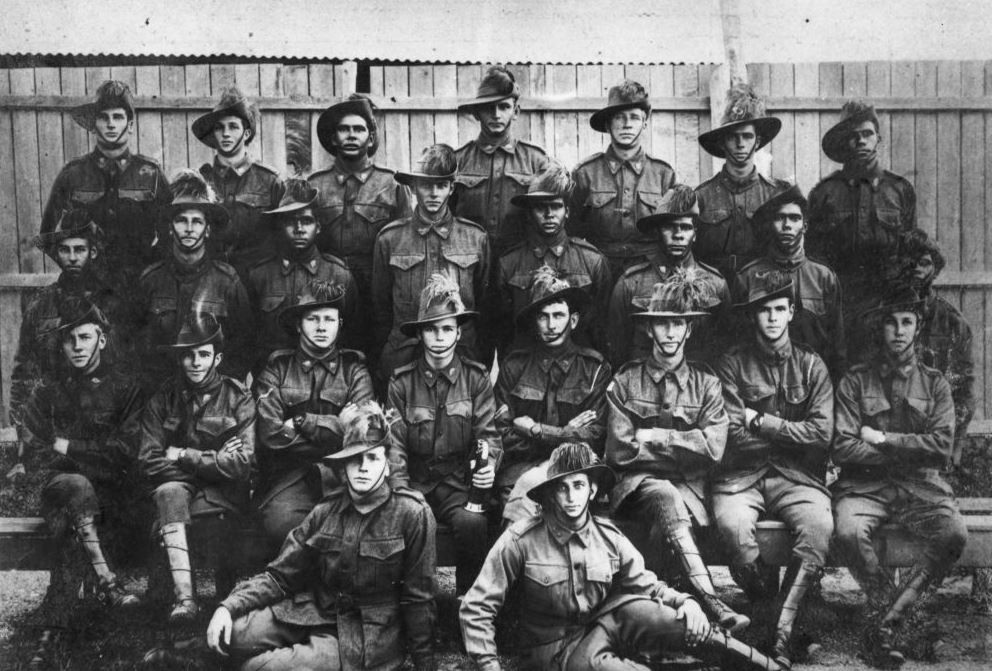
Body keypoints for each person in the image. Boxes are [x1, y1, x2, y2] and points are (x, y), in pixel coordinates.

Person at [460, 442, 785, 671]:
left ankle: (767, 667)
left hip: (606, 624)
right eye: (562, 488)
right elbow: (476, 608)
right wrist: (489, 666)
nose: (571, 496)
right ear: (550, 492)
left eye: (578, 486)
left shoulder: (607, 536)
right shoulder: (521, 540)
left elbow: (647, 585)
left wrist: (685, 601)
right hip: (557, 651)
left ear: (592, 490)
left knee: (684, 623)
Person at [205, 401, 437, 671]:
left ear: (387, 465)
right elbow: (280, 575)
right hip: (314, 612)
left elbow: (419, 598)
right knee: (230, 635)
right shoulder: (326, 511)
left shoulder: (411, 514)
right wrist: (228, 607)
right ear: (343, 465)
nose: (363, 467)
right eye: (354, 458)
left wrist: (425, 665)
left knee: (262, 668)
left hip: (364, 635)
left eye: (373, 458)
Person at [832, 286, 968, 668]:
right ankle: (892, 618)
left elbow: (941, 447)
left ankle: (889, 622)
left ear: (918, 328)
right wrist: (908, 450)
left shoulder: (935, 384)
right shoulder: (854, 382)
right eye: (890, 323)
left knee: (953, 533)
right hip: (864, 487)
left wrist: (884, 439)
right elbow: (842, 446)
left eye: (906, 322)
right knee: (847, 532)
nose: (898, 330)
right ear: (880, 329)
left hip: (921, 487)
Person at [605, 273, 749, 633]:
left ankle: (668, 624)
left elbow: (713, 447)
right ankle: (713, 604)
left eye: (678, 324)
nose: (670, 333)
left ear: (689, 331)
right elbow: (621, 452)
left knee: (663, 523)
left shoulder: (707, 384)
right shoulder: (626, 380)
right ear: (649, 331)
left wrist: (655, 437)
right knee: (664, 494)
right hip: (635, 489)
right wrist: (686, 447)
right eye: (662, 325)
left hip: (691, 495)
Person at [713, 272, 835, 668]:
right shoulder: (732, 364)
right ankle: (770, 613)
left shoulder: (811, 366)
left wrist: (761, 423)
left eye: (779, 309)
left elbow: (822, 435)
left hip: (795, 476)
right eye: (763, 311)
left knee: (819, 526)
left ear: (791, 313)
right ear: (752, 317)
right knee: (732, 526)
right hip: (741, 476)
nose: (771, 318)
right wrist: (789, 435)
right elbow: (731, 434)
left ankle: (778, 630)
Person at [20, 298, 144, 616]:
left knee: (76, 517)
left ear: (101, 339)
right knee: (75, 488)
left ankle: (55, 622)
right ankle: (108, 584)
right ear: (61, 344)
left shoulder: (124, 389)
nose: (76, 346)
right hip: (59, 491)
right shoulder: (46, 392)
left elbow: (127, 451)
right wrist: (90, 460)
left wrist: (68, 447)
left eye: (85, 337)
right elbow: (36, 456)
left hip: (111, 494)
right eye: (69, 339)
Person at [386, 273, 502, 595]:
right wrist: (399, 491)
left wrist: (488, 465)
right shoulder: (401, 383)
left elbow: (488, 435)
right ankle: (415, 609)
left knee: (473, 523)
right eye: (431, 329)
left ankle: (468, 608)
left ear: (458, 332)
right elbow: (393, 446)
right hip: (414, 482)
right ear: (421, 333)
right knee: (407, 519)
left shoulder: (476, 380)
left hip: (457, 484)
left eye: (447, 328)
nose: (439, 337)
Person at [139, 313, 256, 623]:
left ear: (217, 357)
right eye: (188, 355)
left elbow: (243, 464)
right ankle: (185, 601)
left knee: (189, 518)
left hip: (223, 497)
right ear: (179, 358)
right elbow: (148, 459)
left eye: (203, 354)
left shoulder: (237, 398)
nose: (195, 362)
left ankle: (222, 601)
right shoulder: (164, 398)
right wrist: (213, 459)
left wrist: (184, 455)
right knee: (169, 493)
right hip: (184, 490)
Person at [253, 280, 374, 555]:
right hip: (290, 476)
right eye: (313, 319)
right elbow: (270, 435)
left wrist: (299, 422)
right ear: (298, 324)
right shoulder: (276, 370)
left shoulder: (355, 371)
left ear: (340, 323)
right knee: (281, 525)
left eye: (329, 319)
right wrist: (337, 427)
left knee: (356, 527)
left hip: (344, 473)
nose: (321, 327)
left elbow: (360, 433)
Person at [8, 209, 127, 480]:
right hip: (54, 413)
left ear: (92, 252)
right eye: (64, 250)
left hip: (100, 416)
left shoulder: (111, 303)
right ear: (56, 254)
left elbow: (122, 368)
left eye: (80, 249)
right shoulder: (41, 304)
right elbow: (23, 373)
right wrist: (24, 445)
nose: (72, 257)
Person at [495, 266, 611, 523]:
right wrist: (566, 433)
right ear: (534, 321)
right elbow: (502, 434)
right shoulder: (514, 366)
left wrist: (536, 430)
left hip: (574, 469)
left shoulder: (594, 369)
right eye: (543, 316)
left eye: (558, 315)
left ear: (573, 320)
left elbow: (594, 437)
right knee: (521, 525)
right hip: (519, 470)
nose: (551, 325)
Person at [372, 144, 490, 386]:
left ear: (451, 189)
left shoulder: (475, 238)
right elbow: (380, 307)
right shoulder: (390, 239)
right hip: (404, 356)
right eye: (426, 185)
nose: (434, 193)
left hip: (462, 355)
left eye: (441, 185)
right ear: (414, 188)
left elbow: (486, 304)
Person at [41, 80, 171, 291]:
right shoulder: (73, 174)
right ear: (94, 124)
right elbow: (47, 236)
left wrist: (150, 271)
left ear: (129, 125)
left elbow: (171, 233)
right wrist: (75, 270)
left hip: (138, 291)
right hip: (87, 291)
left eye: (118, 117)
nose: (111, 124)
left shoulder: (150, 174)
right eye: (104, 117)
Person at [309, 93, 412, 358]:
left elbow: (405, 247)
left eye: (359, 129)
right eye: (344, 129)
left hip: (377, 295)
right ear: (333, 138)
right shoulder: (315, 186)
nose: (351, 135)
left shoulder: (392, 186)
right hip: (328, 294)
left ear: (371, 138)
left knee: (379, 363)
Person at [807, 100, 916, 346]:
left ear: (879, 138)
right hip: (839, 307)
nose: (861, 141)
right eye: (853, 136)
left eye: (867, 134)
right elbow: (813, 257)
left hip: (886, 305)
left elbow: (910, 249)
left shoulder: (899, 190)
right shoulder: (824, 193)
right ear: (845, 142)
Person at [136, 169, 252, 387]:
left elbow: (243, 347)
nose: (189, 229)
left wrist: (220, 390)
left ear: (208, 230)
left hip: (212, 395)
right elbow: (136, 344)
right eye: (181, 220)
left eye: (197, 222)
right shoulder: (151, 280)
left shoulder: (227, 281)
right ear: (170, 228)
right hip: (160, 394)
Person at [607, 184, 730, 368]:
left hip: (698, 388)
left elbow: (724, 347)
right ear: (657, 232)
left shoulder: (715, 284)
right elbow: (617, 348)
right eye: (669, 227)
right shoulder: (631, 283)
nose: (678, 235)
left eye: (685, 227)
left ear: (695, 234)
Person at [246, 178, 359, 374]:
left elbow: (353, 335)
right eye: (291, 221)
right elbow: (247, 337)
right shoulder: (260, 276)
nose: (299, 229)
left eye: (306, 221)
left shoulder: (338, 275)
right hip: (272, 377)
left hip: (326, 380)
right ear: (280, 226)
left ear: (318, 226)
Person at [497, 160, 610, 353]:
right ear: (530, 213)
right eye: (540, 207)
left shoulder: (592, 261)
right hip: (527, 370)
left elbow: (601, 328)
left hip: (579, 369)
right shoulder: (509, 264)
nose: (549, 214)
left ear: (567, 211)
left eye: (556, 206)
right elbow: (504, 333)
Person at [569, 80, 676, 284]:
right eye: (619, 117)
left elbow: (671, 233)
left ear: (645, 122)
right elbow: (572, 232)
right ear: (608, 123)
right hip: (598, 270)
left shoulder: (663, 174)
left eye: (634, 117)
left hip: (650, 273)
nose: (627, 124)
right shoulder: (586, 173)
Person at [734, 183, 846, 378]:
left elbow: (837, 347)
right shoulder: (748, 277)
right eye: (779, 218)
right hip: (761, 380)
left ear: (805, 225)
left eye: (794, 218)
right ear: (770, 224)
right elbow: (737, 343)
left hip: (813, 380)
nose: (787, 225)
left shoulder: (824, 278)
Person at [454, 64, 550, 257]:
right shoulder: (458, 160)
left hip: (521, 260)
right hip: (469, 258)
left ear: (515, 112)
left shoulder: (537, 161)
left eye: (504, 107)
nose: (496, 114)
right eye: (489, 108)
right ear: (476, 113)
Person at [892, 229, 975, 450]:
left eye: (924, 263)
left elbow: (962, 390)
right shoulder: (882, 319)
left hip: (933, 430)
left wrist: (952, 445)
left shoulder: (953, 323)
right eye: (910, 262)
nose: (916, 269)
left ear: (935, 268)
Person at [694, 84, 784, 280]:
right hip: (713, 286)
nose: (740, 143)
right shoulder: (701, 196)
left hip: (760, 289)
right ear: (722, 142)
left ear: (758, 142)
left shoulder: (774, 195)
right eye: (733, 137)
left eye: (747, 136)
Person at [192, 86, 284, 279]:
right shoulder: (199, 180)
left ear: (247, 134)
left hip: (259, 283)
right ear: (212, 135)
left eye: (233, 127)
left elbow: (284, 238)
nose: (225, 133)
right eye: (219, 127)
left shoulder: (270, 181)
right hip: (210, 281)